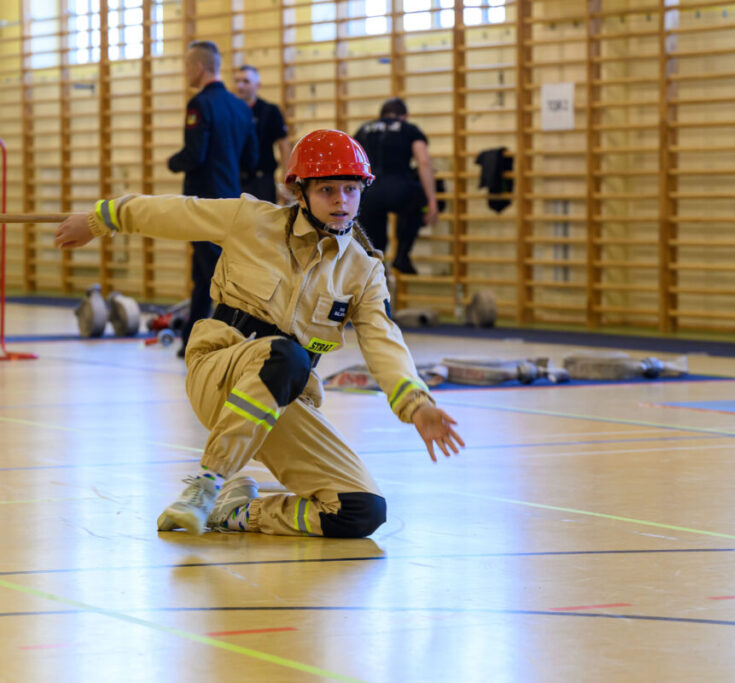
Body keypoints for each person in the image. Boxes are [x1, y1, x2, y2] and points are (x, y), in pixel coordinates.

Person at [54, 129, 464, 537]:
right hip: (219, 371)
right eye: (327, 190)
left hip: (285, 398)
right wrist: (99, 219)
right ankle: (207, 484)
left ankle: (237, 512)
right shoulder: (251, 220)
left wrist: (417, 405)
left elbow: (383, 340)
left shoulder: (364, 271)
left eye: (350, 189)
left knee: (360, 510)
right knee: (286, 356)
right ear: (300, 192)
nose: (341, 201)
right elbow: (172, 212)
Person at [169, 40, 258, 358]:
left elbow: (195, 155)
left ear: (198, 67)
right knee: (203, 273)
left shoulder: (200, 104)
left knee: (216, 275)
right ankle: (191, 340)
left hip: (203, 205)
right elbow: (251, 159)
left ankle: (228, 340)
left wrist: (173, 162)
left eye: (186, 67)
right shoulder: (240, 108)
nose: (185, 73)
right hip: (231, 200)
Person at [354, 97, 439, 275]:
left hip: (369, 193)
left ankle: (378, 271)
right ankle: (402, 254)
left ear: (382, 115)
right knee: (418, 203)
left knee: (374, 243)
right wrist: (431, 201)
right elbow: (423, 162)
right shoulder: (409, 129)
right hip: (400, 189)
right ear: (404, 116)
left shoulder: (363, 130)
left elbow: (352, 162)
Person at [233, 64, 290, 203]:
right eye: (237, 81)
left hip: (261, 179)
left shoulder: (270, 111)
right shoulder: (230, 111)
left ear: (257, 85)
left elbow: (283, 145)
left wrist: (286, 178)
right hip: (235, 178)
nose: (240, 85)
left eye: (246, 81)